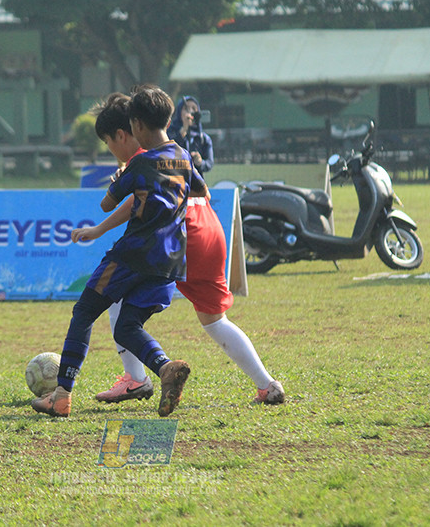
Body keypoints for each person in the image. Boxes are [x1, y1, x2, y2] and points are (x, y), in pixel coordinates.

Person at [74, 93, 285, 405]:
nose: (112, 149)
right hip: (210, 229)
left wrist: (100, 227)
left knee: (114, 295)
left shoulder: (144, 159)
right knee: (215, 320)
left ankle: (137, 378)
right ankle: (268, 385)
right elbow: (199, 193)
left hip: (180, 236)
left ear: (130, 131)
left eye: (110, 141)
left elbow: (134, 202)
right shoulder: (174, 152)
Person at [32, 85, 205, 418]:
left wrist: (124, 176)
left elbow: (106, 202)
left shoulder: (138, 166)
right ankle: (166, 368)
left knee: (84, 313)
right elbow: (201, 190)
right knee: (127, 326)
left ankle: (62, 395)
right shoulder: (182, 156)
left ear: (136, 126)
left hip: (132, 256)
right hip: (170, 261)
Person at [168, 95, 214, 175]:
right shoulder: (170, 132)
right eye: (186, 109)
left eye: (193, 108)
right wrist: (184, 129)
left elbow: (209, 163)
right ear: (179, 112)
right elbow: (168, 152)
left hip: (196, 184)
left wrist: (200, 162)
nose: (190, 112)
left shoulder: (203, 138)